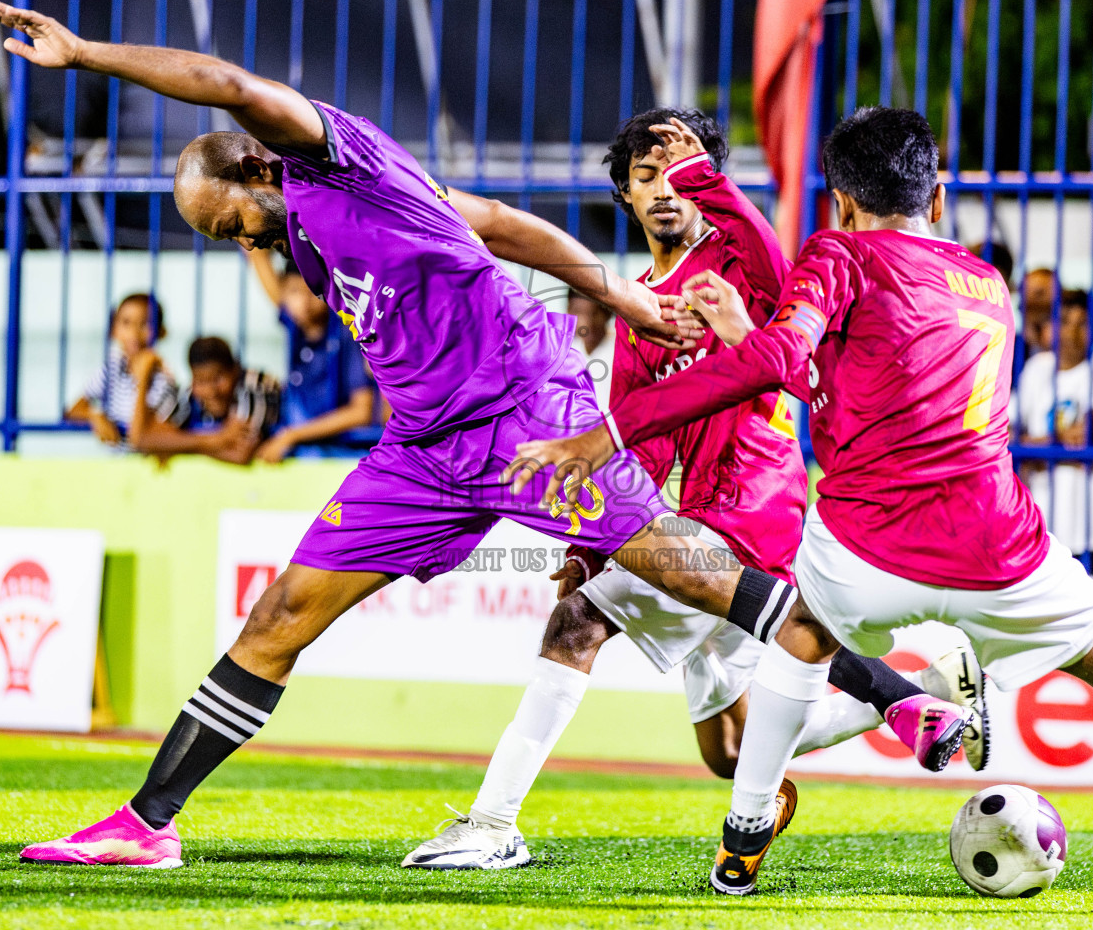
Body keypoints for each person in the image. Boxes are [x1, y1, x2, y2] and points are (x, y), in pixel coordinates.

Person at [0, 0, 938, 870]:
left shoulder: (330, 156)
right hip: (424, 453)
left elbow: (232, 85)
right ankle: (149, 824)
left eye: (227, 220)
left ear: (255, 164)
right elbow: (493, 222)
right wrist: (618, 292)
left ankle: (901, 698)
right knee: (281, 617)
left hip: (532, 415)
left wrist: (86, 55)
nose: (237, 239)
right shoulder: (321, 227)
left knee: (706, 584)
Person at [504, 107, 1093, 915]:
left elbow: (791, 362)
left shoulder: (836, 256)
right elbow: (869, 389)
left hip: (864, 551)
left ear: (839, 201)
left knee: (797, 634)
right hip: (1001, 552)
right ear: (936, 200)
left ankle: (741, 847)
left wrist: (613, 430)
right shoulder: (987, 283)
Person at [402, 109, 981, 871]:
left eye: (682, 173)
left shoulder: (745, 264)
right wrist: (588, 545)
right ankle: (929, 689)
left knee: (575, 626)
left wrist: (712, 177)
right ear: (627, 197)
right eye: (648, 177)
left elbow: (765, 288)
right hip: (694, 513)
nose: (666, 189)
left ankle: (493, 822)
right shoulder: (639, 304)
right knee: (731, 750)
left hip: (751, 507)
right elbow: (640, 438)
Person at [1017, 288, 1093, 574]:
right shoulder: (1035, 369)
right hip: (1046, 530)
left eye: (1083, 323)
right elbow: (1007, 438)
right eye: (1065, 321)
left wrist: (1038, 451)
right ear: (1049, 328)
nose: (1072, 331)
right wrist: (1056, 443)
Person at [243, 246, 378, 461]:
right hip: (306, 447)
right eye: (295, 292)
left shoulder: (348, 332)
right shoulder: (294, 324)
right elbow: (255, 255)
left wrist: (291, 436)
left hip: (345, 451)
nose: (303, 303)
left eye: (312, 292)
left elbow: (361, 412)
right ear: (284, 291)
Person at [127, 335, 278, 466]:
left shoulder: (255, 386)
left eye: (218, 379)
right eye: (201, 382)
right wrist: (215, 440)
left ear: (235, 370)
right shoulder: (190, 395)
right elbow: (143, 439)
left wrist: (175, 445)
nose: (211, 391)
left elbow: (239, 455)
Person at [66, 292, 182, 448]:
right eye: (126, 323)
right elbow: (73, 410)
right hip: (117, 466)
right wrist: (95, 416)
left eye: (145, 324)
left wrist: (143, 376)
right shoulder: (112, 369)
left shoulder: (164, 380)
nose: (134, 332)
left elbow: (139, 436)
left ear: (161, 332)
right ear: (114, 329)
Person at [566, 288, 614, 409]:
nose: (587, 323)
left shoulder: (621, 350)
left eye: (595, 313)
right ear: (568, 311)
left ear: (608, 313)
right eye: (579, 312)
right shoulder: (566, 353)